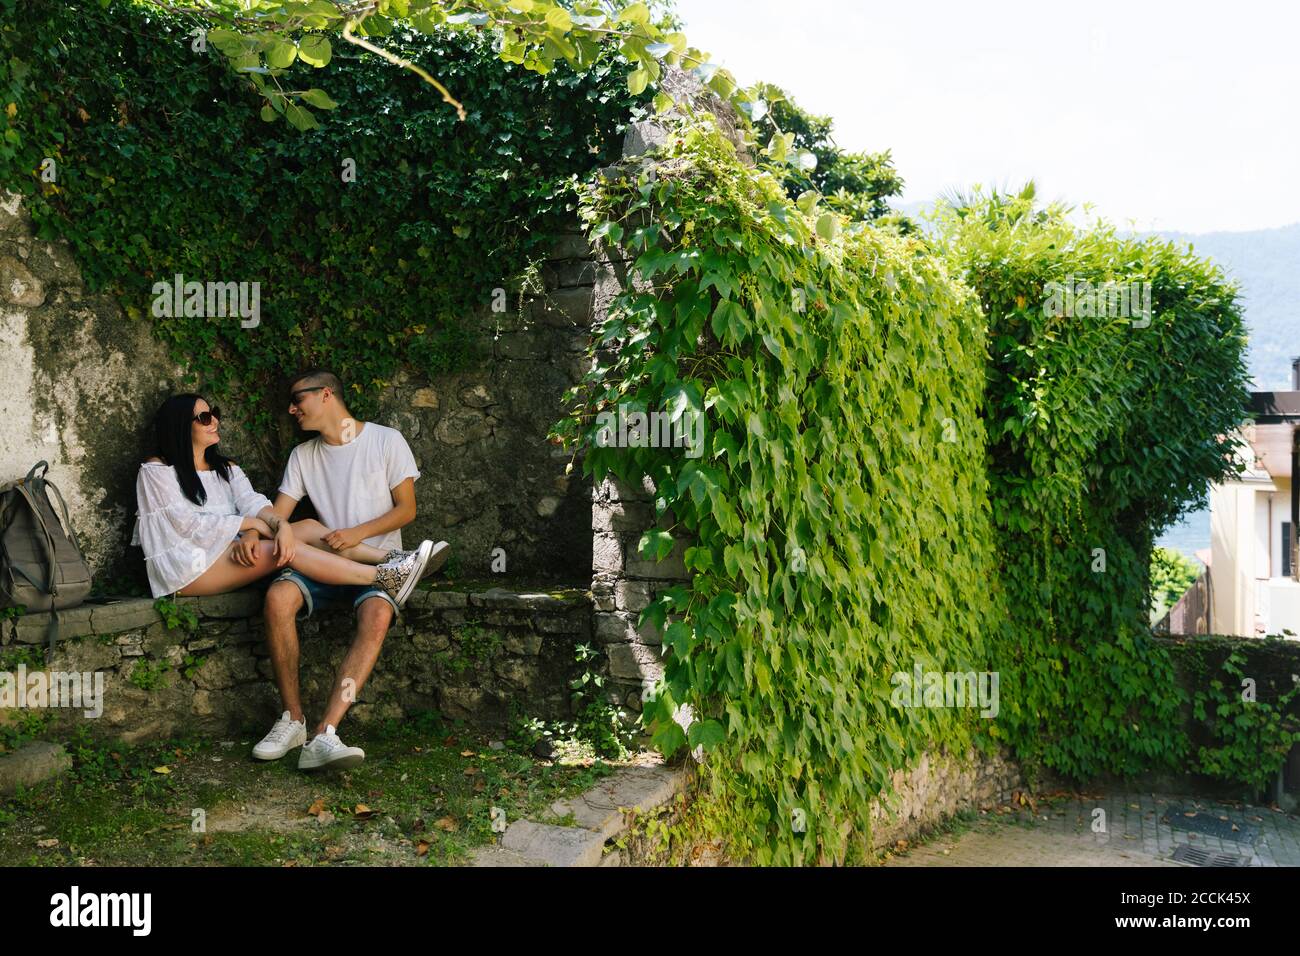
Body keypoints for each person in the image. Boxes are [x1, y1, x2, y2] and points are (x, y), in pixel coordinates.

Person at [252, 369, 450, 771]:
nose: (292, 409)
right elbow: (279, 515)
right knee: (277, 596)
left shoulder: (385, 440)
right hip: (323, 565)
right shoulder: (303, 456)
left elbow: (406, 510)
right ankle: (292, 720)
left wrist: (355, 534)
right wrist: (249, 530)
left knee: (377, 614)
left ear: (326, 394)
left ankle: (325, 734)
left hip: (382, 563)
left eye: (298, 399)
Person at [132, 394, 434, 612]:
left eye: (214, 413)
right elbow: (184, 524)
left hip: (229, 551)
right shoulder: (157, 471)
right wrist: (253, 526)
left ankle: (393, 558)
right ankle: (384, 577)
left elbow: (252, 502)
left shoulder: (226, 469)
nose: (215, 421)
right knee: (287, 550)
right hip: (189, 570)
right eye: (204, 417)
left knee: (307, 527)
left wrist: (279, 525)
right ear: (181, 427)